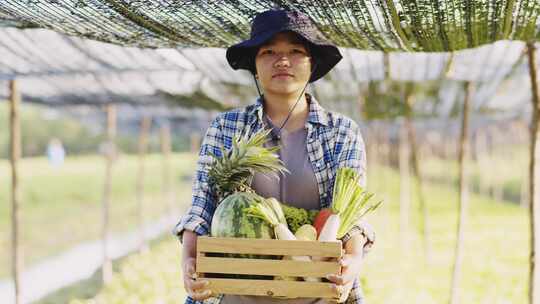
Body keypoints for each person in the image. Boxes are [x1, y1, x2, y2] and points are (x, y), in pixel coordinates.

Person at [174, 9, 375, 304]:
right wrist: (189, 258)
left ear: (312, 64)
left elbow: (351, 217)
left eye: (295, 51)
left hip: (316, 292)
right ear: (255, 66)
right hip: (236, 294)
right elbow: (202, 206)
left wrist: (353, 258)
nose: (282, 60)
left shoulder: (341, 132)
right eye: (269, 51)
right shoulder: (226, 128)